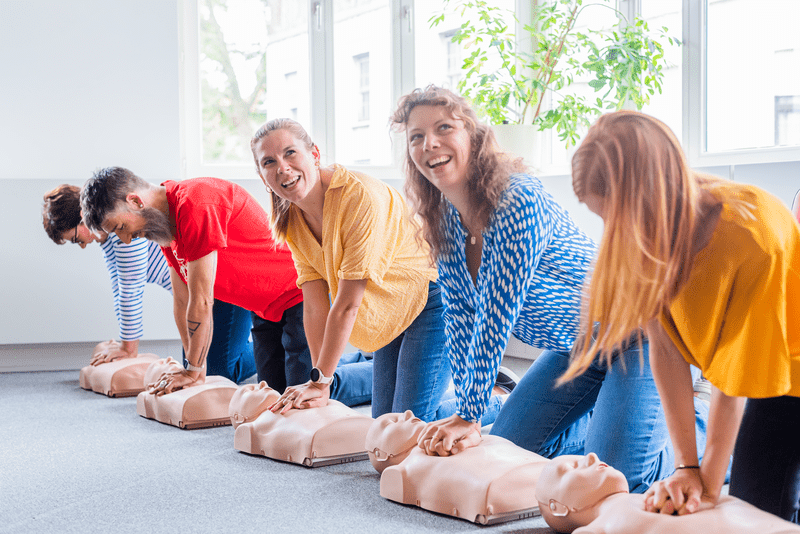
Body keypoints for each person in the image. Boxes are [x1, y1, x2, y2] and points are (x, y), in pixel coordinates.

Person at [389, 85, 710, 493]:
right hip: (574, 350)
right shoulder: (445, 218)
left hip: (638, 338)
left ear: (472, 133)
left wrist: (469, 414)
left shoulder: (516, 200)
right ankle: (612, 422)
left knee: (614, 482)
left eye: (443, 128)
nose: (429, 143)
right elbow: (459, 316)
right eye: (416, 137)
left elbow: (494, 315)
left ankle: (694, 428)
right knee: (509, 452)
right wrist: (466, 411)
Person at [562, 110, 800, 522]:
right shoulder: (645, 232)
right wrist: (685, 467)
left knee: (757, 512)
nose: (613, 233)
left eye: (617, 217)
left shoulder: (753, 236)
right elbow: (666, 349)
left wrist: (706, 486)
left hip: (787, 374)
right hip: (729, 371)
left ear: (654, 191)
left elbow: (735, 384)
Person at [250, 118, 495, 423]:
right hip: (388, 308)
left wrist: (320, 381)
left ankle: (494, 402)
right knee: (383, 426)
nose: (282, 168)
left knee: (406, 427)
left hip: (432, 298)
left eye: (290, 153)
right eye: (269, 162)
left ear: (314, 154)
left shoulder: (358, 196)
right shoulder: (292, 220)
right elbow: (314, 307)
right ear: (262, 176)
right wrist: (318, 379)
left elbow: (347, 303)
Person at [79, 168, 372, 406]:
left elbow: (202, 300)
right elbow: (182, 300)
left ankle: (379, 371)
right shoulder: (165, 228)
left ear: (135, 201)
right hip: (264, 310)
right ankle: (352, 362)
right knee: (275, 399)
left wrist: (195, 369)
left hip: (300, 297)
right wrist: (192, 367)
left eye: (119, 227)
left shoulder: (196, 201)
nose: (126, 239)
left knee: (311, 396)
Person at [42, 184, 256, 382]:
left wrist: (128, 348)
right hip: (197, 301)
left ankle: (271, 346)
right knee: (193, 367)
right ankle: (236, 341)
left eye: (76, 239)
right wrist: (123, 342)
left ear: (83, 217)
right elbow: (119, 290)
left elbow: (131, 290)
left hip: (224, 291)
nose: (80, 246)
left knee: (222, 373)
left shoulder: (121, 230)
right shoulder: (107, 240)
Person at [536, 454, 800, 534]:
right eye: (572, 467)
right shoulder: (595, 529)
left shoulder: (663, 488)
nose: (592, 455)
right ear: (558, 507)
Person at [366, 410, 550, 525]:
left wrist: (469, 418)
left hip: (530, 472)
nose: (408, 413)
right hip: (500, 487)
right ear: (381, 454)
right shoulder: (403, 469)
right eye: (392, 422)